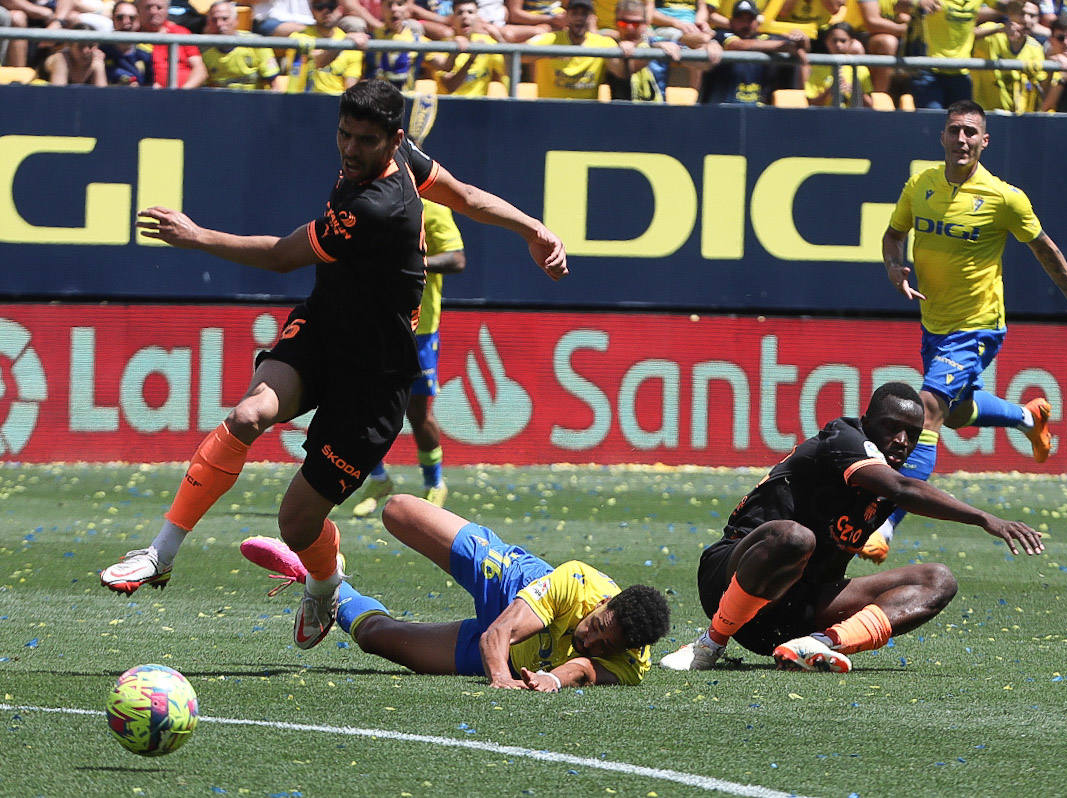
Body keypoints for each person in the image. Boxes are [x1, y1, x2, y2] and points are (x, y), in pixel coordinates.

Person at [100, 81, 568, 658]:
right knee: (248, 415)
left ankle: (325, 584)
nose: (349, 148)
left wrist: (197, 237)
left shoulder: (375, 207)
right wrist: (534, 228)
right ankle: (161, 552)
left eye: (365, 140)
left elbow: (280, 256)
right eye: (344, 134)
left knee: (295, 525)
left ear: (394, 139)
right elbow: (467, 196)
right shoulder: (395, 157)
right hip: (323, 331)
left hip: (376, 377)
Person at [660, 382, 1045, 673]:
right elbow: (904, 489)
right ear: (867, 423)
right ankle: (709, 645)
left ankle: (818, 645)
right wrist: (985, 518)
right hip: (729, 580)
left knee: (939, 580)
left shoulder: (889, 479)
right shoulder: (843, 437)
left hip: (794, 613)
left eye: (912, 434)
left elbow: (901, 490)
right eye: (892, 428)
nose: (902, 441)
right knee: (794, 538)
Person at [872, 99, 1067, 559]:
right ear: (942, 136)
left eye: (970, 132)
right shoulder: (920, 184)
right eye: (954, 130)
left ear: (984, 141)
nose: (961, 139)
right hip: (935, 325)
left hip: (977, 327)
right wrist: (894, 268)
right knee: (957, 414)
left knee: (928, 410)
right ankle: (1029, 417)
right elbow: (893, 234)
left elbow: (1045, 250)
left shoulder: (1004, 197)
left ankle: (885, 527)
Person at [242, 494, 671, 688]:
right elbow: (497, 634)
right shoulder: (577, 581)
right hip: (513, 586)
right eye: (597, 626)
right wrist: (501, 680)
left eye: (606, 645)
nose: (591, 640)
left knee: (374, 638)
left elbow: (585, 669)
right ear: (602, 603)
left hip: (515, 657)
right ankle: (322, 571)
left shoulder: (632, 663)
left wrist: (551, 679)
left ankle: (326, 583)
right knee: (398, 510)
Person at [352, 198, 465, 516]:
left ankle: (435, 483)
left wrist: (410, 261)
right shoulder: (372, 200)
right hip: (375, 323)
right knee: (364, 408)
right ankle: (378, 479)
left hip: (419, 330)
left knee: (416, 412)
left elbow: (456, 259)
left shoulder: (433, 207)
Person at [700, 0, 806, 106]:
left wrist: (800, 40)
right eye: (740, 19)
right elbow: (737, 45)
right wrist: (784, 46)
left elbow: (800, 47)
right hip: (723, 108)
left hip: (758, 109)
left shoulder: (767, 39)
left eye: (750, 19)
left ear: (757, 22)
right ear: (731, 21)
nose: (745, 24)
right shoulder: (720, 35)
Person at [907, 0, 1004, 109]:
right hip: (930, 71)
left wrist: (1012, 13)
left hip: (961, 72)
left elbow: (1006, 6)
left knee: (962, 118)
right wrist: (918, 2)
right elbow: (899, 5)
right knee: (933, 119)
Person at [524, 0, 625, 99]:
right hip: (550, 108)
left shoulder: (604, 43)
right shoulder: (550, 40)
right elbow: (520, 55)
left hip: (586, 109)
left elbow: (621, 72)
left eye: (584, 14)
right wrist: (547, 53)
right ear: (566, 16)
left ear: (592, 18)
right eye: (574, 13)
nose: (579, 18)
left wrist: (626, 47)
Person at [971, 1, 1046, 113]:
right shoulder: (991, 31)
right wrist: (1000, 30)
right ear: (1011, 14)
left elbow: (1042, 86)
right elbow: (967, 38)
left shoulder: (1036, 48)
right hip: (985, 113)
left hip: (1019, 116)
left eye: (1032, 16)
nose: (1026, 20)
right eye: (1022, 14)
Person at [280, 0, 367, 94]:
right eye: (320, 6)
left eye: (331, 6)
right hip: (302, 99)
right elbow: (317, 62)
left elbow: (350, 88)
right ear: (312, 11)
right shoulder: (298, 38)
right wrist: (342, 45)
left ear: (340, 10)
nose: (326, 11)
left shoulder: (349, 43)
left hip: (335, 100)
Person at [428, 0, 508, 95]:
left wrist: (500, 40)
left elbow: (510, 72)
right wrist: (470, 59)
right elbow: (450, 87)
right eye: (460, 13)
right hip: (450, 103)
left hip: (478, 103)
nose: (465, 16)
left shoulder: (487, 43)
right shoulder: (441, 47)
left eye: (470, 12)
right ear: (452, 19)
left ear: (478, 18)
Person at [202, 0, 286, 90]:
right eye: (214, 20)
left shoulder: (256, 44)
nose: (219, 24)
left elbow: (274, 85)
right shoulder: (204, 52)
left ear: (236, 20)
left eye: (225, 19)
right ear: (209, 23)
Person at [137, 0, 207, 88]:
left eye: (159, 8)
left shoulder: (181, 33)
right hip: (144, 93)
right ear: (138, 10)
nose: (154, 12)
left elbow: (200, 70)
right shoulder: (132, 35)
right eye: (148, 7)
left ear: (167, 10)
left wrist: (181, 92)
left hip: (183, 93)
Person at [805, 21, 872, 106]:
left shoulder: (861, 70)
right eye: (834, 41)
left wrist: (854, 91)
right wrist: (830, 91)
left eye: (843, 41)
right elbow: (811, 104)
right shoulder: (817, 69)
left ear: (851, 42)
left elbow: (870, 105)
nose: (838, 45)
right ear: (826, 42)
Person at [365, 0, 426, 88]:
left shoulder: (418, 40)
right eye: (389, 5)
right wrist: (351, 39)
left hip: (405, 95)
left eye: (399, 4)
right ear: (381, 8)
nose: (394, 9)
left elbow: (443, 64)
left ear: (407, 8)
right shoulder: (370, 38)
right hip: (377, 95)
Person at [103, 1, 155, 85]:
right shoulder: (101, 51)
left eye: (132, 18)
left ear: (139, 20)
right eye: (120, 17)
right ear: (113, 20)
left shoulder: (146, 53)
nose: (126, 21)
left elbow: (149, 86)